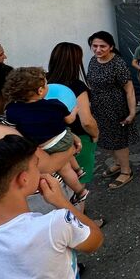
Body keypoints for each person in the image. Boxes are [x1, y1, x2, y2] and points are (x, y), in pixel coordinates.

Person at [0, 135, 104, 278]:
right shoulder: (56, 223)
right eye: (36, 166)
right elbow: (95, 240)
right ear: (23, 179)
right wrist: (61, 201)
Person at [3, 67, 88, 203]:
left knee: (63, 159)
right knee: (65, 167)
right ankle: (80, 189)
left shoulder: (12, 110)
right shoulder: (55, 104)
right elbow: (69, 120)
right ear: (40, 90)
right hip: (63, 139)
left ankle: (77, 173)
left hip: (42, 146)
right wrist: (75, 110)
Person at [87, 31, 138, 190]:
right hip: (98, 108)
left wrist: (132, 112)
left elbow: (129, 89)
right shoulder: (93, 61)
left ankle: (126, 171)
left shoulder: (118, 63)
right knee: (105, 139)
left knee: (119, 140)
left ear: (111, 47)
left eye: (102, 46)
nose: (98, 49)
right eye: (95, 46)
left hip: (116, 107)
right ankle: (118, 163)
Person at [47, 42, 100, 186]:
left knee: (58, 183)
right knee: (78, 183)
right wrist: (95, 135)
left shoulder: (42, 82)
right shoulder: (76, 86)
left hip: (48, 140)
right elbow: (86, 121)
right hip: (77, 139)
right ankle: (78, 208)